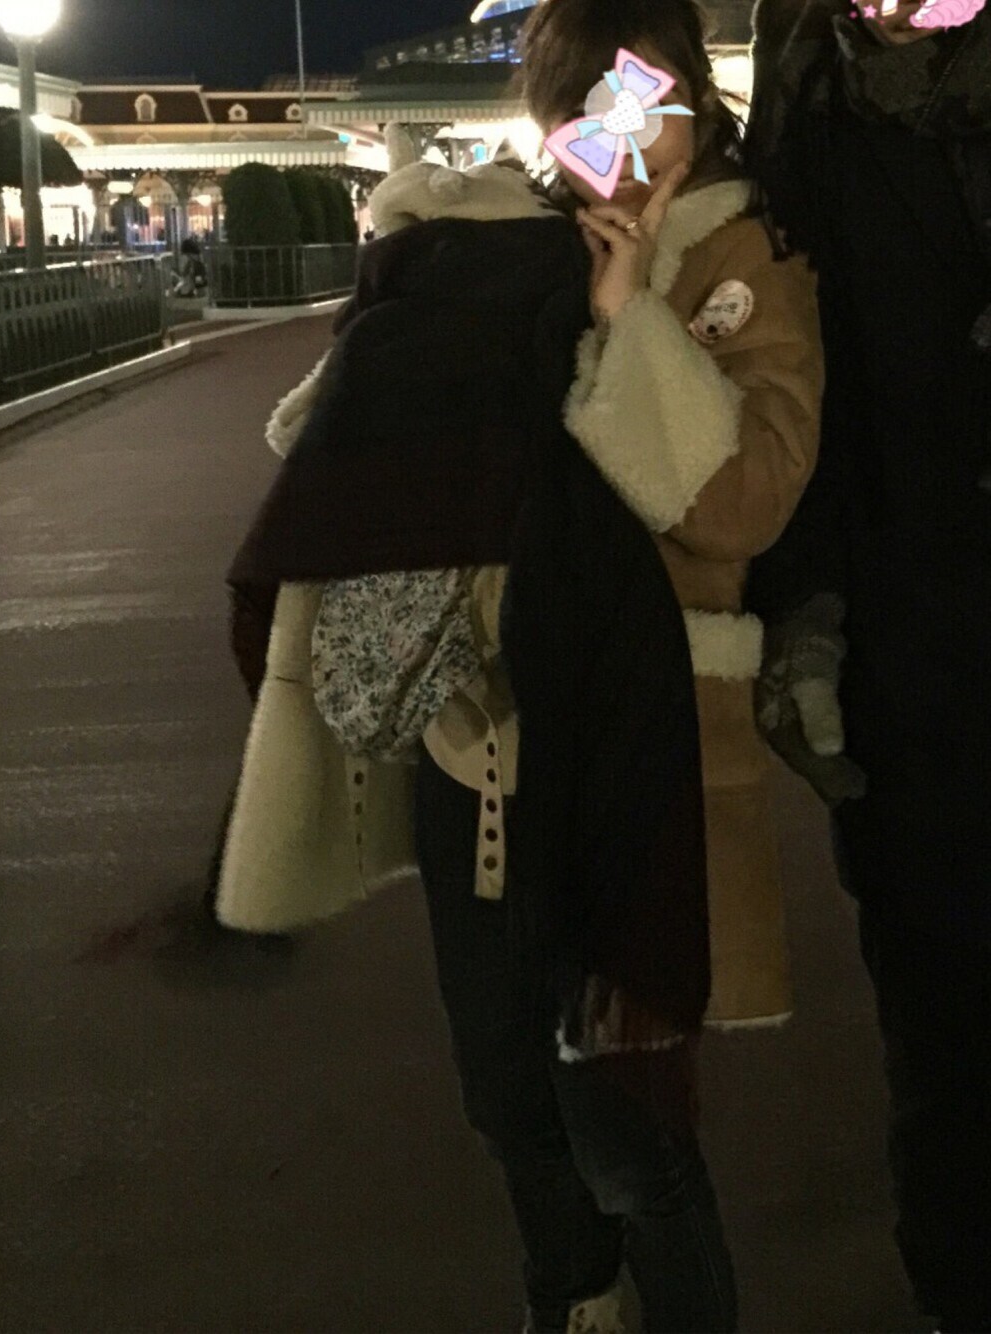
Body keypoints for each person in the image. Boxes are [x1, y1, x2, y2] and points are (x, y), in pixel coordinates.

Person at [215, 0, 824, 1329]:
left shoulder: (745, 253)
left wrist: (628, 321)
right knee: (506, 1095)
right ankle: (575, 1302)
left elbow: (748, 500)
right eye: (585, 123)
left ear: (692, 96)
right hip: (482, 731)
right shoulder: (508, 238)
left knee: (627, 1123)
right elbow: (327, 433)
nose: (620, 150)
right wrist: (416, 272)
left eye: (645, 109)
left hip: (640, 747)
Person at [742, 2, 991, 1329]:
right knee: (939, 1003)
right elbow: (790, 372)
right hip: (909, 629)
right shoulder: (809, 85)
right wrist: (804, 612)